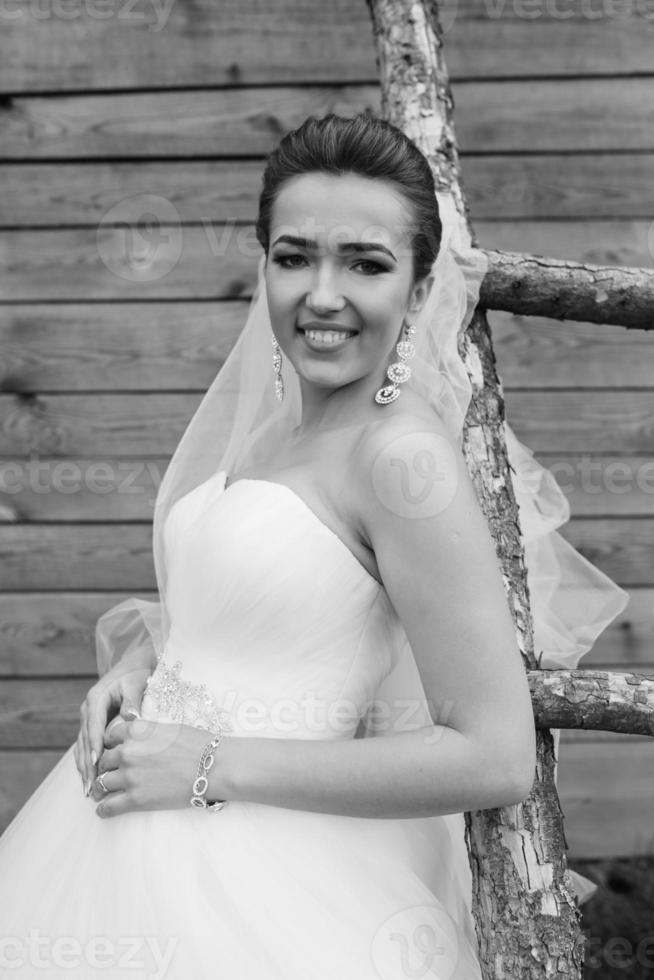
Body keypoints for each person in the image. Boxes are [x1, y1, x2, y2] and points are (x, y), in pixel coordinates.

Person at [0, 112, 628, 979]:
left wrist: (207, 763)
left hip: (264, 874)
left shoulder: (401, 462)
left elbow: (494, 753)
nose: (321, 294)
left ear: (415, 290)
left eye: (365, 264)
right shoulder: (281, 427)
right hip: (120, 826)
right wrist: (145, 668)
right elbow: (261, 616)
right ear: (263, 265)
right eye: (294, 256)